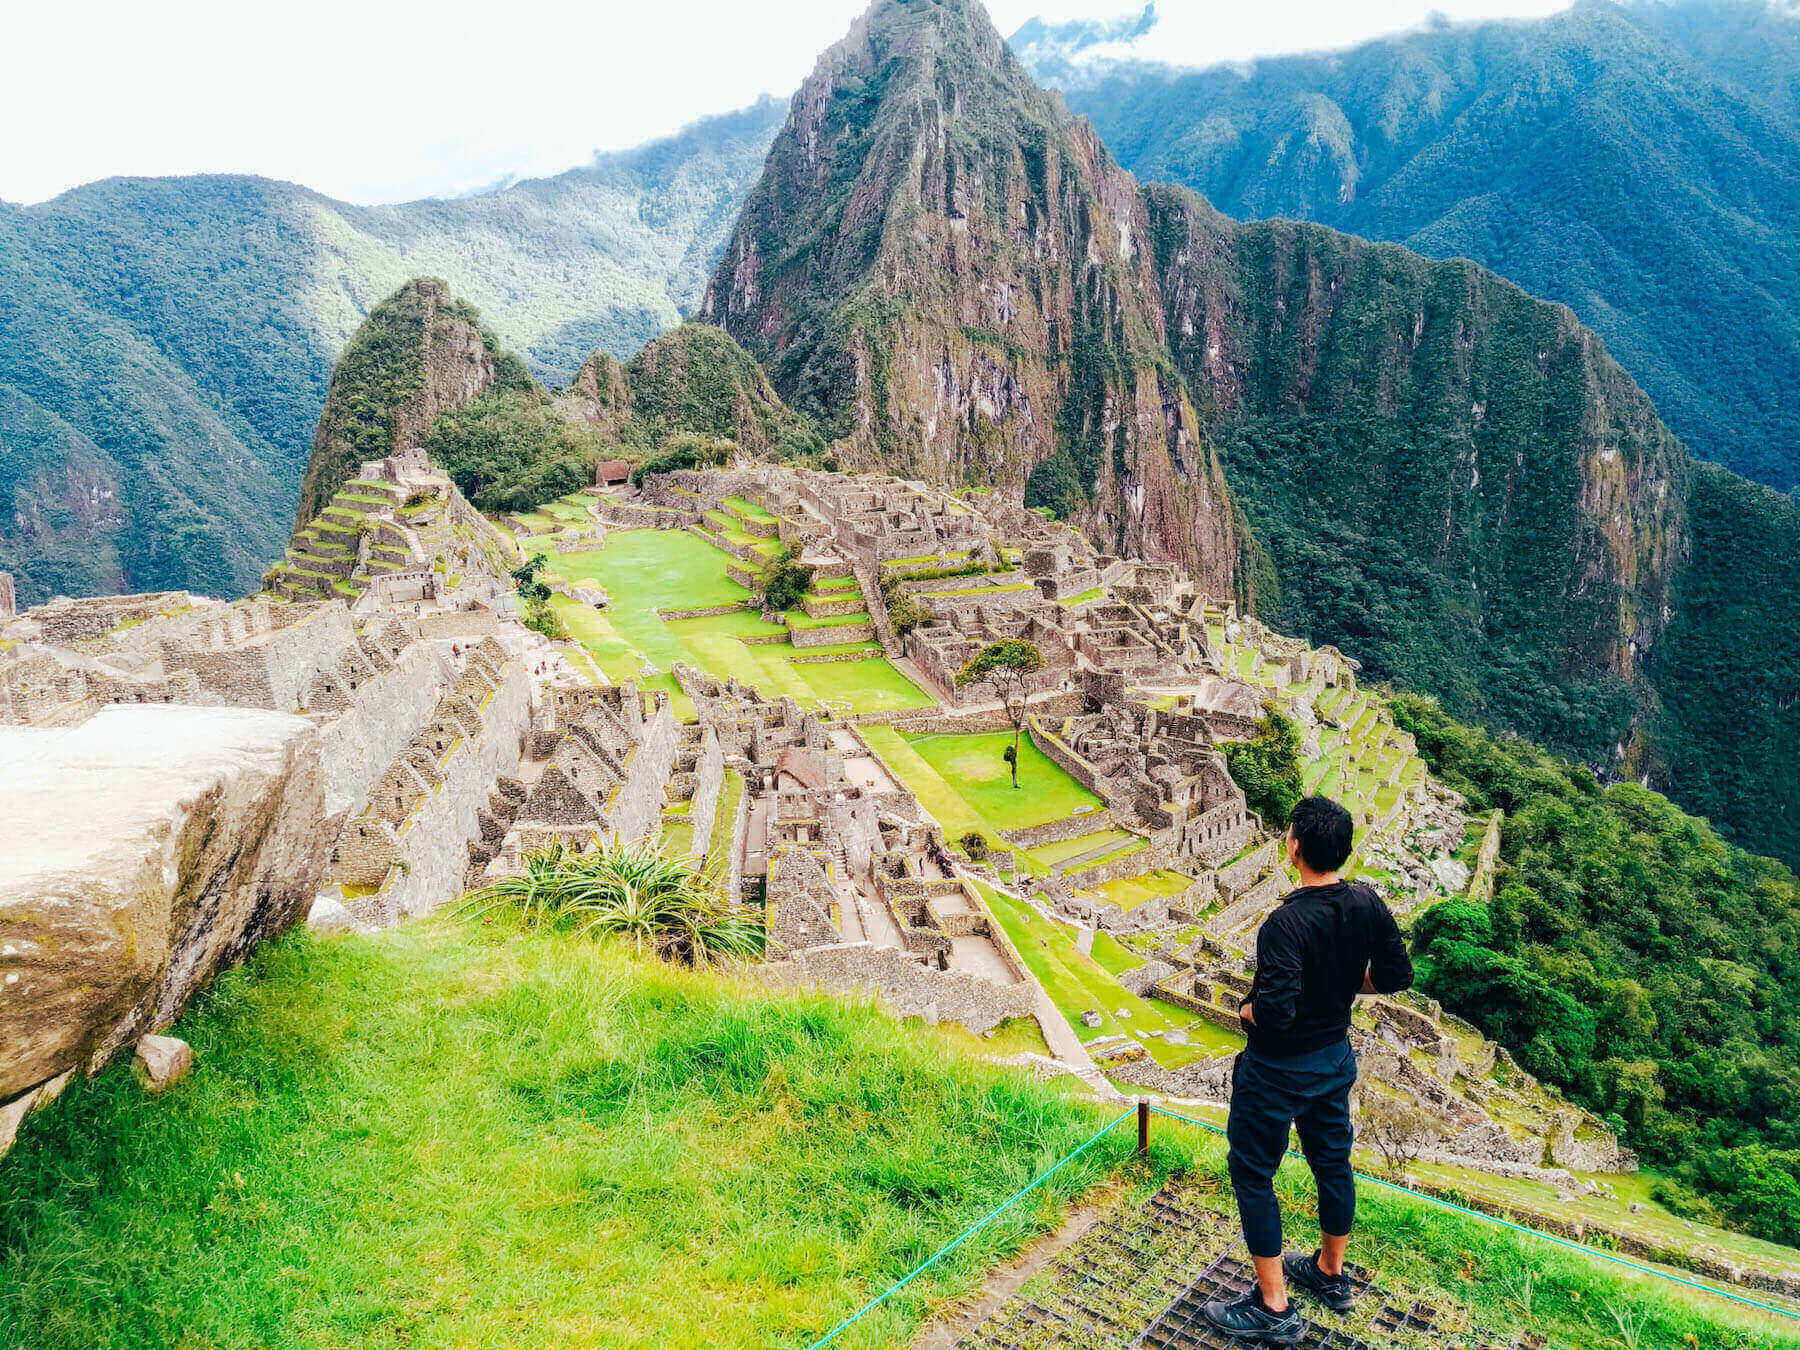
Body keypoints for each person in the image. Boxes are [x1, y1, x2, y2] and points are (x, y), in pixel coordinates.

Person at [1202, 795, 1413, 1344]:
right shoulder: (1367, 903)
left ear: (1294, 846)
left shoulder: (1285, 924)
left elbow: (1273, 1014)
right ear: (1343, 850)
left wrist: (1243, 1010)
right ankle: (1329, 1271)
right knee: (1332, 1164)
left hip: (1275, 1071)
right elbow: (1395, 975)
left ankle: (1273, 1305)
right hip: (1332, 1061)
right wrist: (1347, 988)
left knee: (1253, 1175)